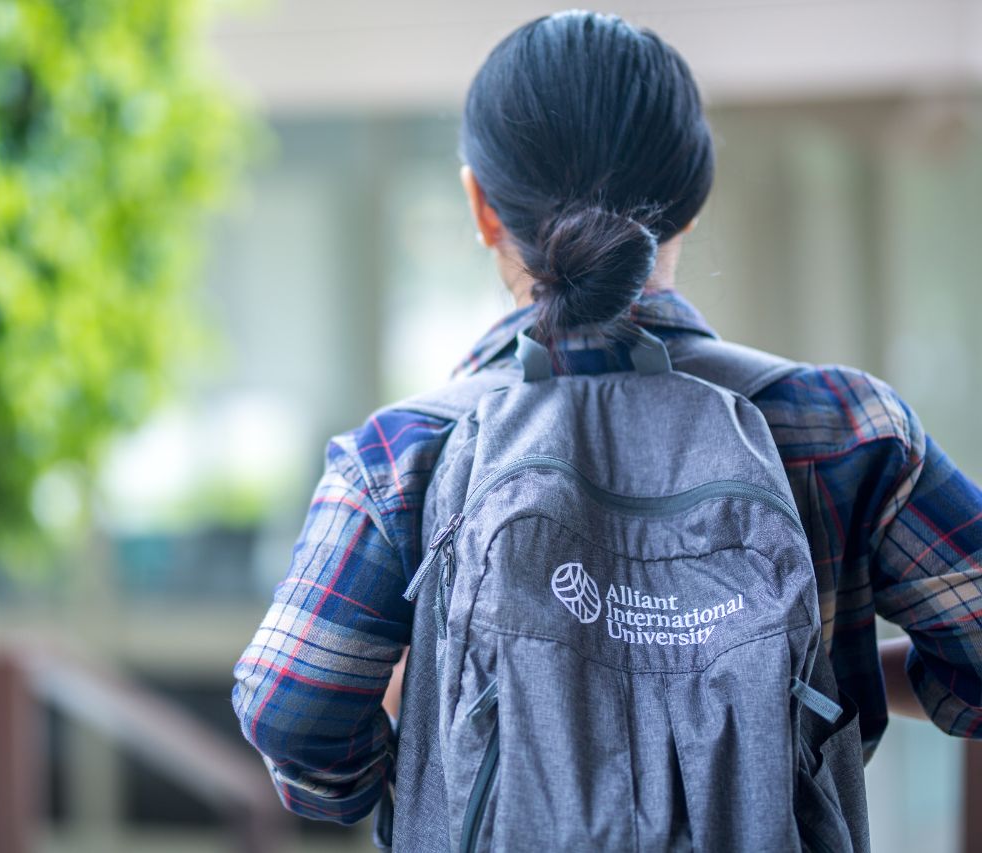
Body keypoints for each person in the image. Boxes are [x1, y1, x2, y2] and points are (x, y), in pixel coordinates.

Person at [232, 8, 982, 845]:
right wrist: (819, 680)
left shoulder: (401, 456)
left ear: (481, 206)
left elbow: (291, 715)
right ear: (691, 203)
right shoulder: (848, 428)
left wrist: (433, 743)